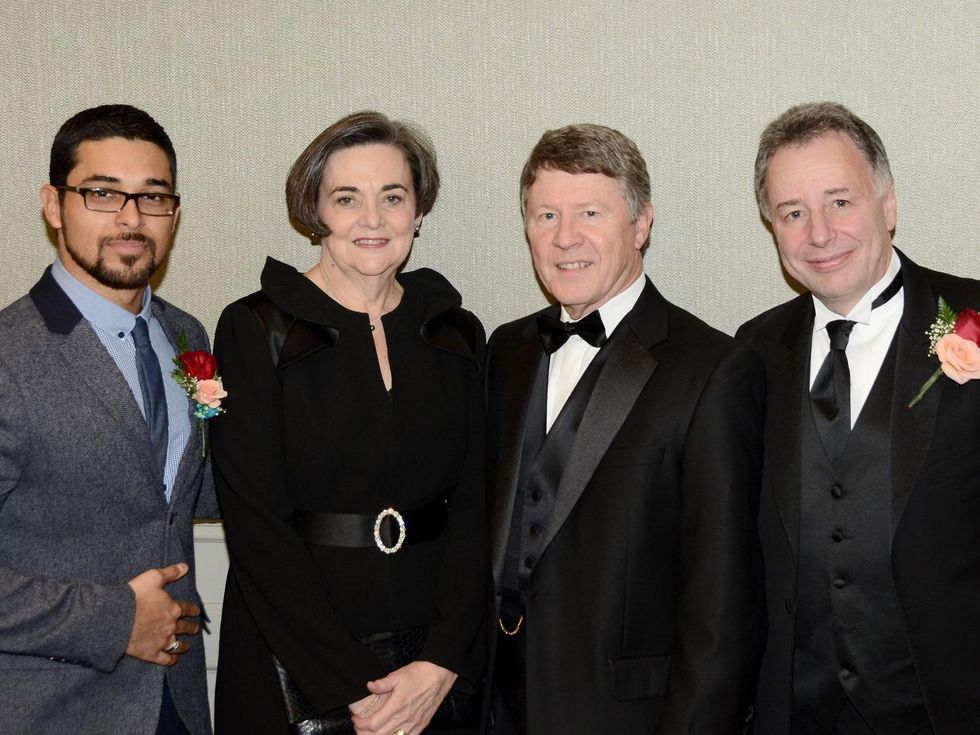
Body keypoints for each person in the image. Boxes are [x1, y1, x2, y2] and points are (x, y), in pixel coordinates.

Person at [210, 111, 487, 735]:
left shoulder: (456, 332)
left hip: (432, 666)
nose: (372, 219)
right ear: (315, 211)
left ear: (419, 211)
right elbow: (256, 526)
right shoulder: (257, 329)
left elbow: (476, 509)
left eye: (392, 197)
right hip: (295, 660)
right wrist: (351, 687)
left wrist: (442, 660)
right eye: (346, 198)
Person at [486, 123, 766, 734]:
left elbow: (723, 602)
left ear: (641, 225)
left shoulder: (712, 368)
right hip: (499, 705)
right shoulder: (506, 350)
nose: (565, 237)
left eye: (591, 213)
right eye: (546, 215)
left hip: (628, 715)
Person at [737, 101, 980, 735]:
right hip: (796, 710)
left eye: (839, 201)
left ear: (888, 203)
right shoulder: (753, 351)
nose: (819, 234)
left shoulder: (974, 318)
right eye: (793, 213)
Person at [0, 105, 218, 734]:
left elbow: (183, 492)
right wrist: (115, 619)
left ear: (174, 213)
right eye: (102, 193)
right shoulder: (9, 356)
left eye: (152, 197)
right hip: (50, 709)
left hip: (179, 700)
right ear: (54, 205)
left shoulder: (186, 335)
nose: (131, 218)